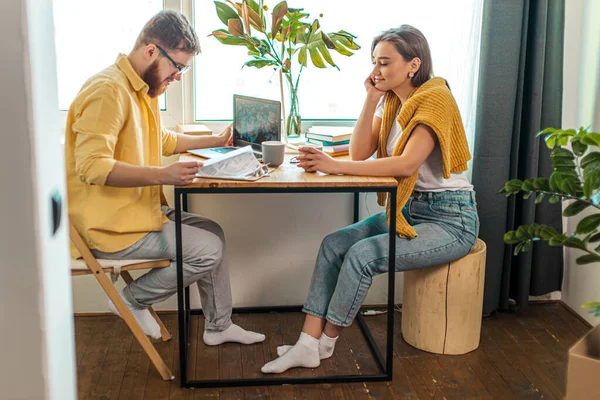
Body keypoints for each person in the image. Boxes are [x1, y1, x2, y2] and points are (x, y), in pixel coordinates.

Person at [261, 25, 479, 374]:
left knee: (363, 255)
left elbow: (407, 164)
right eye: (374, 62)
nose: (376, 71)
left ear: (413, 64)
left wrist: (334, 165)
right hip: (410, 211)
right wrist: (371, 98)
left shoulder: (435, 98)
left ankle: (325, 344)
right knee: (335, 244)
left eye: (384, 63)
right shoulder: (394, 100)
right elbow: (361, 152)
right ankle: (307, 344)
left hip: (450, 219)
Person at [65, 10, 265, 346]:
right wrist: (162, 174)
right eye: (178, 66)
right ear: (151, 51)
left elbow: (162, 140)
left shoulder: (140, 89)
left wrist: (215, 141)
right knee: (208, 249)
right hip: (109, 227)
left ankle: (219, 326)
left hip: (136, 212)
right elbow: (93, 167)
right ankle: (130, 299)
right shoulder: (107, 92)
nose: (179, 76)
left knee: (212, 232)